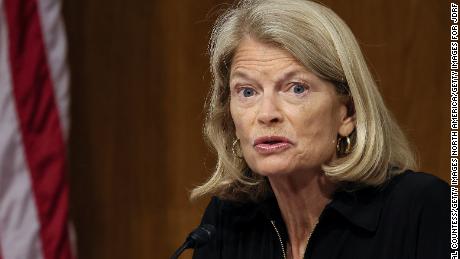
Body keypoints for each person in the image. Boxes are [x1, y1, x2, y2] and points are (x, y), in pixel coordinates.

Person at [190, 0, 450, 258]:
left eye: (296, 88)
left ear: (347, 112)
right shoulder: (225, 222)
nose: (266, 114)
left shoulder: (425, 209)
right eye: (247, 91)